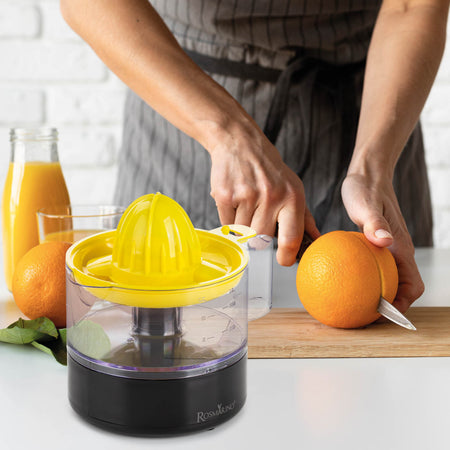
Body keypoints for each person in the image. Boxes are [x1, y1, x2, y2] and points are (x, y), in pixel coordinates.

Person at [60, 0, 449, 313]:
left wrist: (372, 169)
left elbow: (412, 6)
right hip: (185, 106)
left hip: (375, 108)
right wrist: (227, 134)